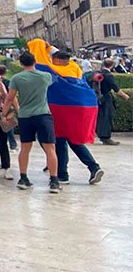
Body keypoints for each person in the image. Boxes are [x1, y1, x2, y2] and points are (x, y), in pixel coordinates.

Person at [2, 52, 61, 193]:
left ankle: (23, 178)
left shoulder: (16, 78)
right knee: (50, 148)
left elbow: (10, 98)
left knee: (25, 148)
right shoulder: (45, 76)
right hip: (43, 114)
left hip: (25, 116)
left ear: (21, 63)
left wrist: (4, 114)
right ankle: (54, 181)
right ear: (35, 61)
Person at [48, 51, 104, 184]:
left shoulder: (57, 72)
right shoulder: (76, 70)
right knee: (74, 140)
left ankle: (63, 174)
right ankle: (93, 167)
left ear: (58, 60)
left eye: (53, 59)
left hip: (62, 110)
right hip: (78, 110)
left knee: (60, 140)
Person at [95, 58, 130, 145]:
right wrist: (125, 96)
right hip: (106, 98)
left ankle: (101, 135)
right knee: (107, 117)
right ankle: (106, 137)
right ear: (112, 66)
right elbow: (116, 88)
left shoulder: (98, 73)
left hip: (99, 97)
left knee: (101, 117)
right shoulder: (108, 75)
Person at [0, 65, 18, 152]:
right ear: (5, 72)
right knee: (9, 125)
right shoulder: (8, 82)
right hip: (7, 105)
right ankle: (13, 145)